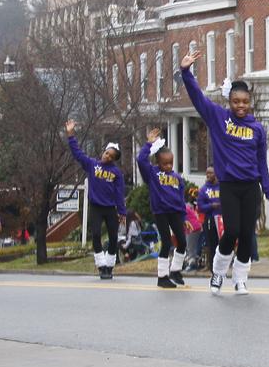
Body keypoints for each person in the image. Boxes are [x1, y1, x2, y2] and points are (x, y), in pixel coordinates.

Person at [178, 50, 269, 295]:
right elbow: (198, 99)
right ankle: (218, 272)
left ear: (250, 102)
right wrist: (186, 73)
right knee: (232, 230)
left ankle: (240, 279)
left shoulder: (257, 129)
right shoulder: (219, 118)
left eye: (245, 102)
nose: (241, 106)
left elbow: (262, 164)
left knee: (247, 235)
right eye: (236, 102)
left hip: (251, 187)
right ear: (229, 101)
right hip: (229, 186)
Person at [66, 119, 126, 280]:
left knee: (114, 237)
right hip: (96, 206)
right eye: (107, 153)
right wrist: (71, 134)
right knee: (97, 235)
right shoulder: (92, 165)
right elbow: (77, 154)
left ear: (114, 159)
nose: (107, 157)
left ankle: (110, 266)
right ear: (104, 152)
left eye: (111, 156)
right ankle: (101, 266)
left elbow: (119, 193)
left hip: (110, 208)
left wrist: (122, 212)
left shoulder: (116, 173)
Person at [137, 128, 188, 288]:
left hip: (176, 212)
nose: (168, 166)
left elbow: (181, 198)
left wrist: (184, 217)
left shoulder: (177, 178)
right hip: (161, 212)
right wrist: (148, 144)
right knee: (166, 242)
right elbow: (141, 160)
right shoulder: (152, 174)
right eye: (164, 163)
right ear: (157, 162)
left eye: (171, 163)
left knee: (182, 242)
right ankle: (162, 276)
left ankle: (175, 270)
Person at [197, 167, 220, 274]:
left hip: (222, 219)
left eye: (210, 172)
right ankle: (213, 269)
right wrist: (211, 205)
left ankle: (223, 266)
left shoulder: (222, 187)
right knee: (212, 244)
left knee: (224, 244)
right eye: (207, 173)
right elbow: (200, 207)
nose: (208, 175)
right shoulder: (203, 190)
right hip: (210, 220)